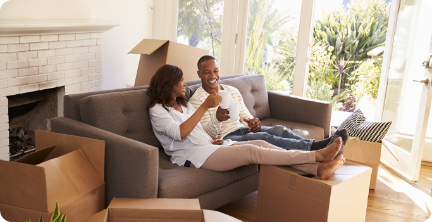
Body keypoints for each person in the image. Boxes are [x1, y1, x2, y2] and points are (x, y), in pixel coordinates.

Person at [148, 64, 345, 180]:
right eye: (180, 80)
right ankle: (315, 156)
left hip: (209, 147)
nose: (184, 84)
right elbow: (180, 133)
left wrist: (216, 126)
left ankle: (318, 169)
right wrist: (204, 107)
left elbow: (199, 130)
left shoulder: (184, 106)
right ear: (168, 84)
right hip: (192, 156)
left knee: (260, 143)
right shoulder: (157, 110)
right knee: (252, 151)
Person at [188, 55, 348, 154]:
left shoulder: (231, 90)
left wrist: (253, 122)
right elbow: (206, 133)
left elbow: (245, 116)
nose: (212, 76)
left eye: (215, 71)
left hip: (241, 129)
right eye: (207, 72)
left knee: (279, 129)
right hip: (227, 138)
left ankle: (316, 145)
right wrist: (217, 118)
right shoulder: (197, 100)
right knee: (264, 137)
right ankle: (316, 148)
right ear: (199, 74)